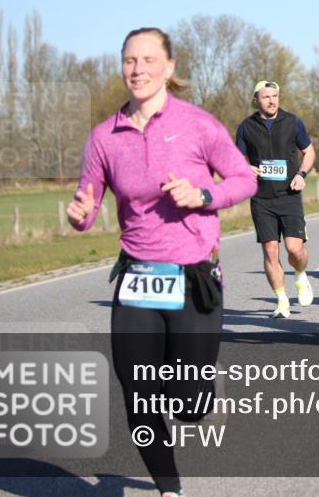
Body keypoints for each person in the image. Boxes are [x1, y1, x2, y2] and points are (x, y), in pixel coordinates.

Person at [67, 27, 257, 497]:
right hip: (137, 277)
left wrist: (203, 195)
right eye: (130, 60)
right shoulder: (103, 137)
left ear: (169, 68)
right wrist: (78, 215)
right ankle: (169, 489)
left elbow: (244, 179)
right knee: (138, 394)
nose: (138, 69)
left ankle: (196, 395)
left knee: (189, 403)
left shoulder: (197, 124)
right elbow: (87, 207)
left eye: (149, 60)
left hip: (193, 276)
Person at [235, 80, 316, 319]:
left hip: (289, 194)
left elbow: (309, 152)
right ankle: (281, 299)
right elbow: (235, 158)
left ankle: (300, 274)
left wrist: (302, 174)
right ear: (256, 100)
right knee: (270, 251)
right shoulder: (246, 127)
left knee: (294, 248)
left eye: (275, 96)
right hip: (261, 198)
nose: (271, 101)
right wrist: (246, 167)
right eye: (266, 97)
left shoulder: (292, 122)